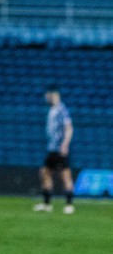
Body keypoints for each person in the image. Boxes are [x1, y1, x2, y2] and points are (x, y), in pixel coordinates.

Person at [34, 86, 74, 214]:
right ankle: (47, 205)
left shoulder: (62, 110)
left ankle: (69, 205)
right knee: (45, 173)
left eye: (48, 95)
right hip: (51, 149)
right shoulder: (52, 110)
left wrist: (65, 144)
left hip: (59, 149)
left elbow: (69, 128)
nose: (46, 97)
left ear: (54, 95)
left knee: (65, 175)